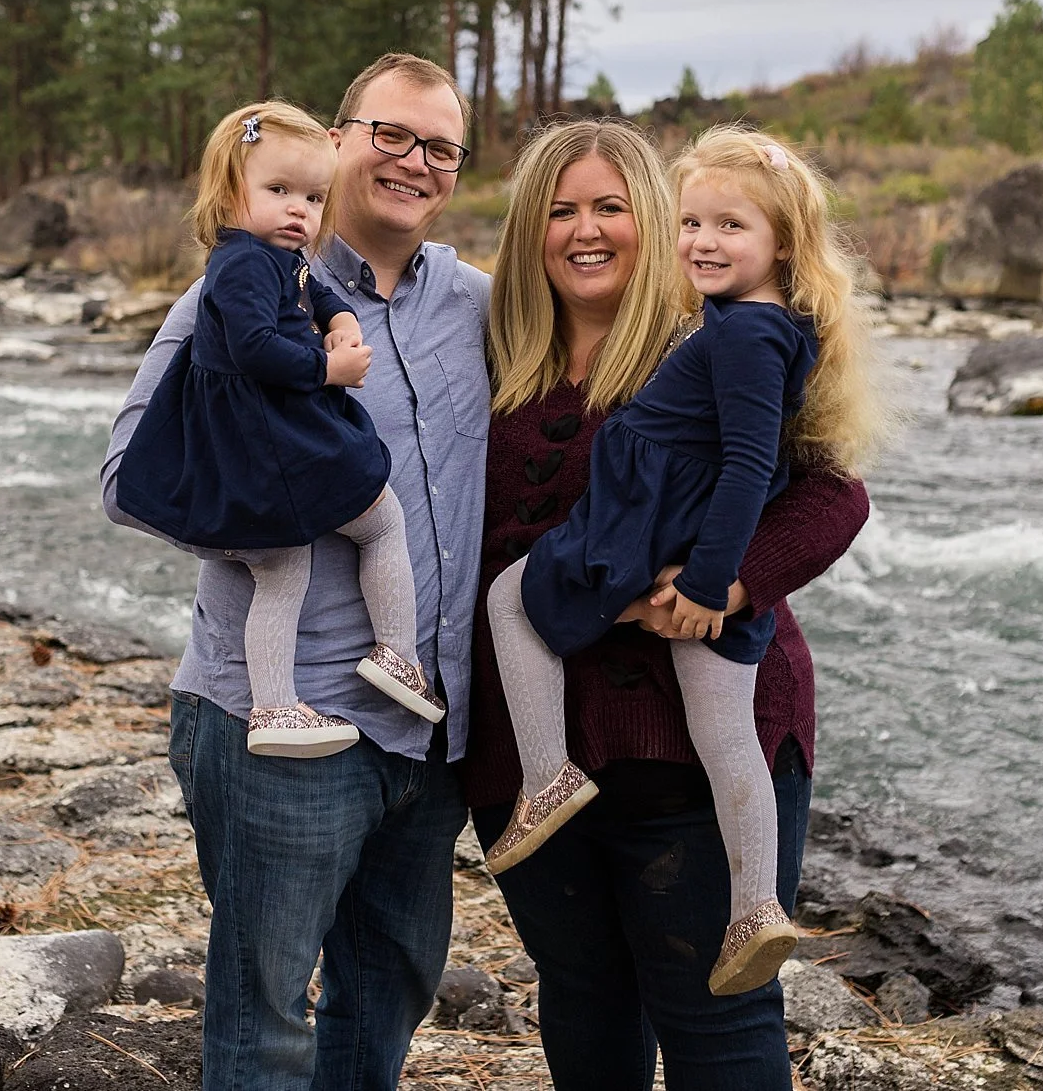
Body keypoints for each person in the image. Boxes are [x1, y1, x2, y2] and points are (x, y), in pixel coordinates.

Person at [464, 119, 877, 1089]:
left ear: (655, 221)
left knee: (717, 1027)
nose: (584, 230)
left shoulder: (713, 345)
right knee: (582, 1001)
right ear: (527, 230)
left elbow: (834, 494)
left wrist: (721, 587)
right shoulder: (483, 363)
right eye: (559, 210)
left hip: (690, 754)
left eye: (609, 206)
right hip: (526, 764)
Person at [102, 54, 487, 1091]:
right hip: (278, 728)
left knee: (384, 999)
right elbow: (123, 479)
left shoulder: (476, 305)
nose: (413, 162)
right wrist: (274, 526)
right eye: (388, 135)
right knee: (264, 1019)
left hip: (426, 726)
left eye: (439, 146)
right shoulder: (237, 296)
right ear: (341, 135)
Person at [114, 101, 443, 759]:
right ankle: (396, 653)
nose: (301, 211)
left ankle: (273, 707)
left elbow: (311, 291)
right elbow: (256, 347)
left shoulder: (274, 256)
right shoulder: (236, 266)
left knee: (283, 570)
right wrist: (330, 366)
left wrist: (341, 315)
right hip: (276, 446)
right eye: (280, 191)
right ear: (232, 192)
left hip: (262, 454)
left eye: (315, 197)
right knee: (382, 522)